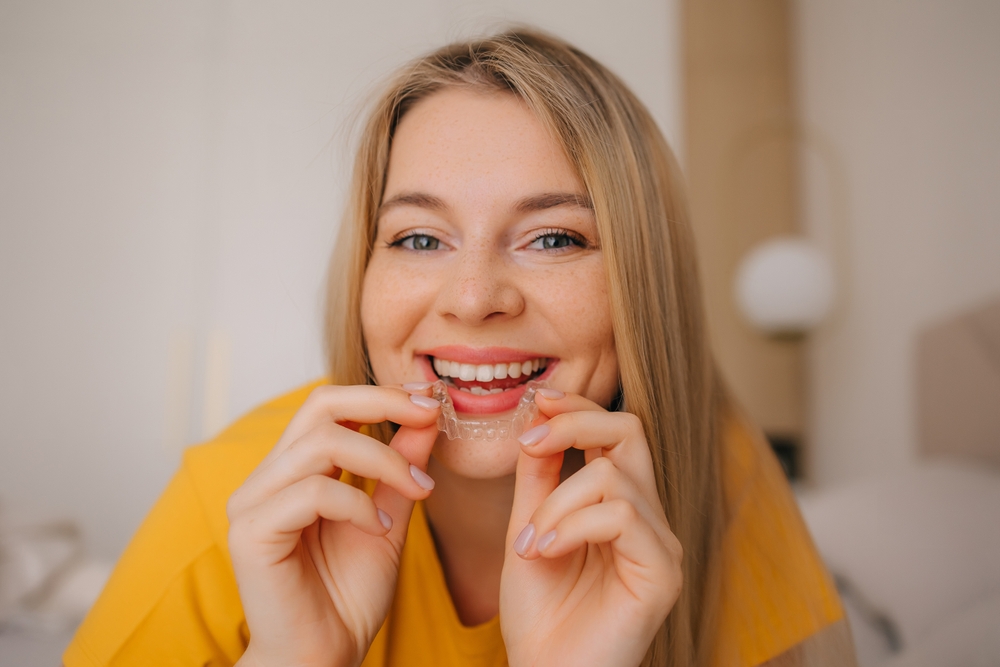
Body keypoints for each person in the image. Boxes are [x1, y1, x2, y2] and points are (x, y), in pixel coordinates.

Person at [65, 28, 856, 667]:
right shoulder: (239, 494)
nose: (475, 300)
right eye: (417, 236)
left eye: (553, 237)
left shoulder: (712, 473)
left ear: (641, 283)